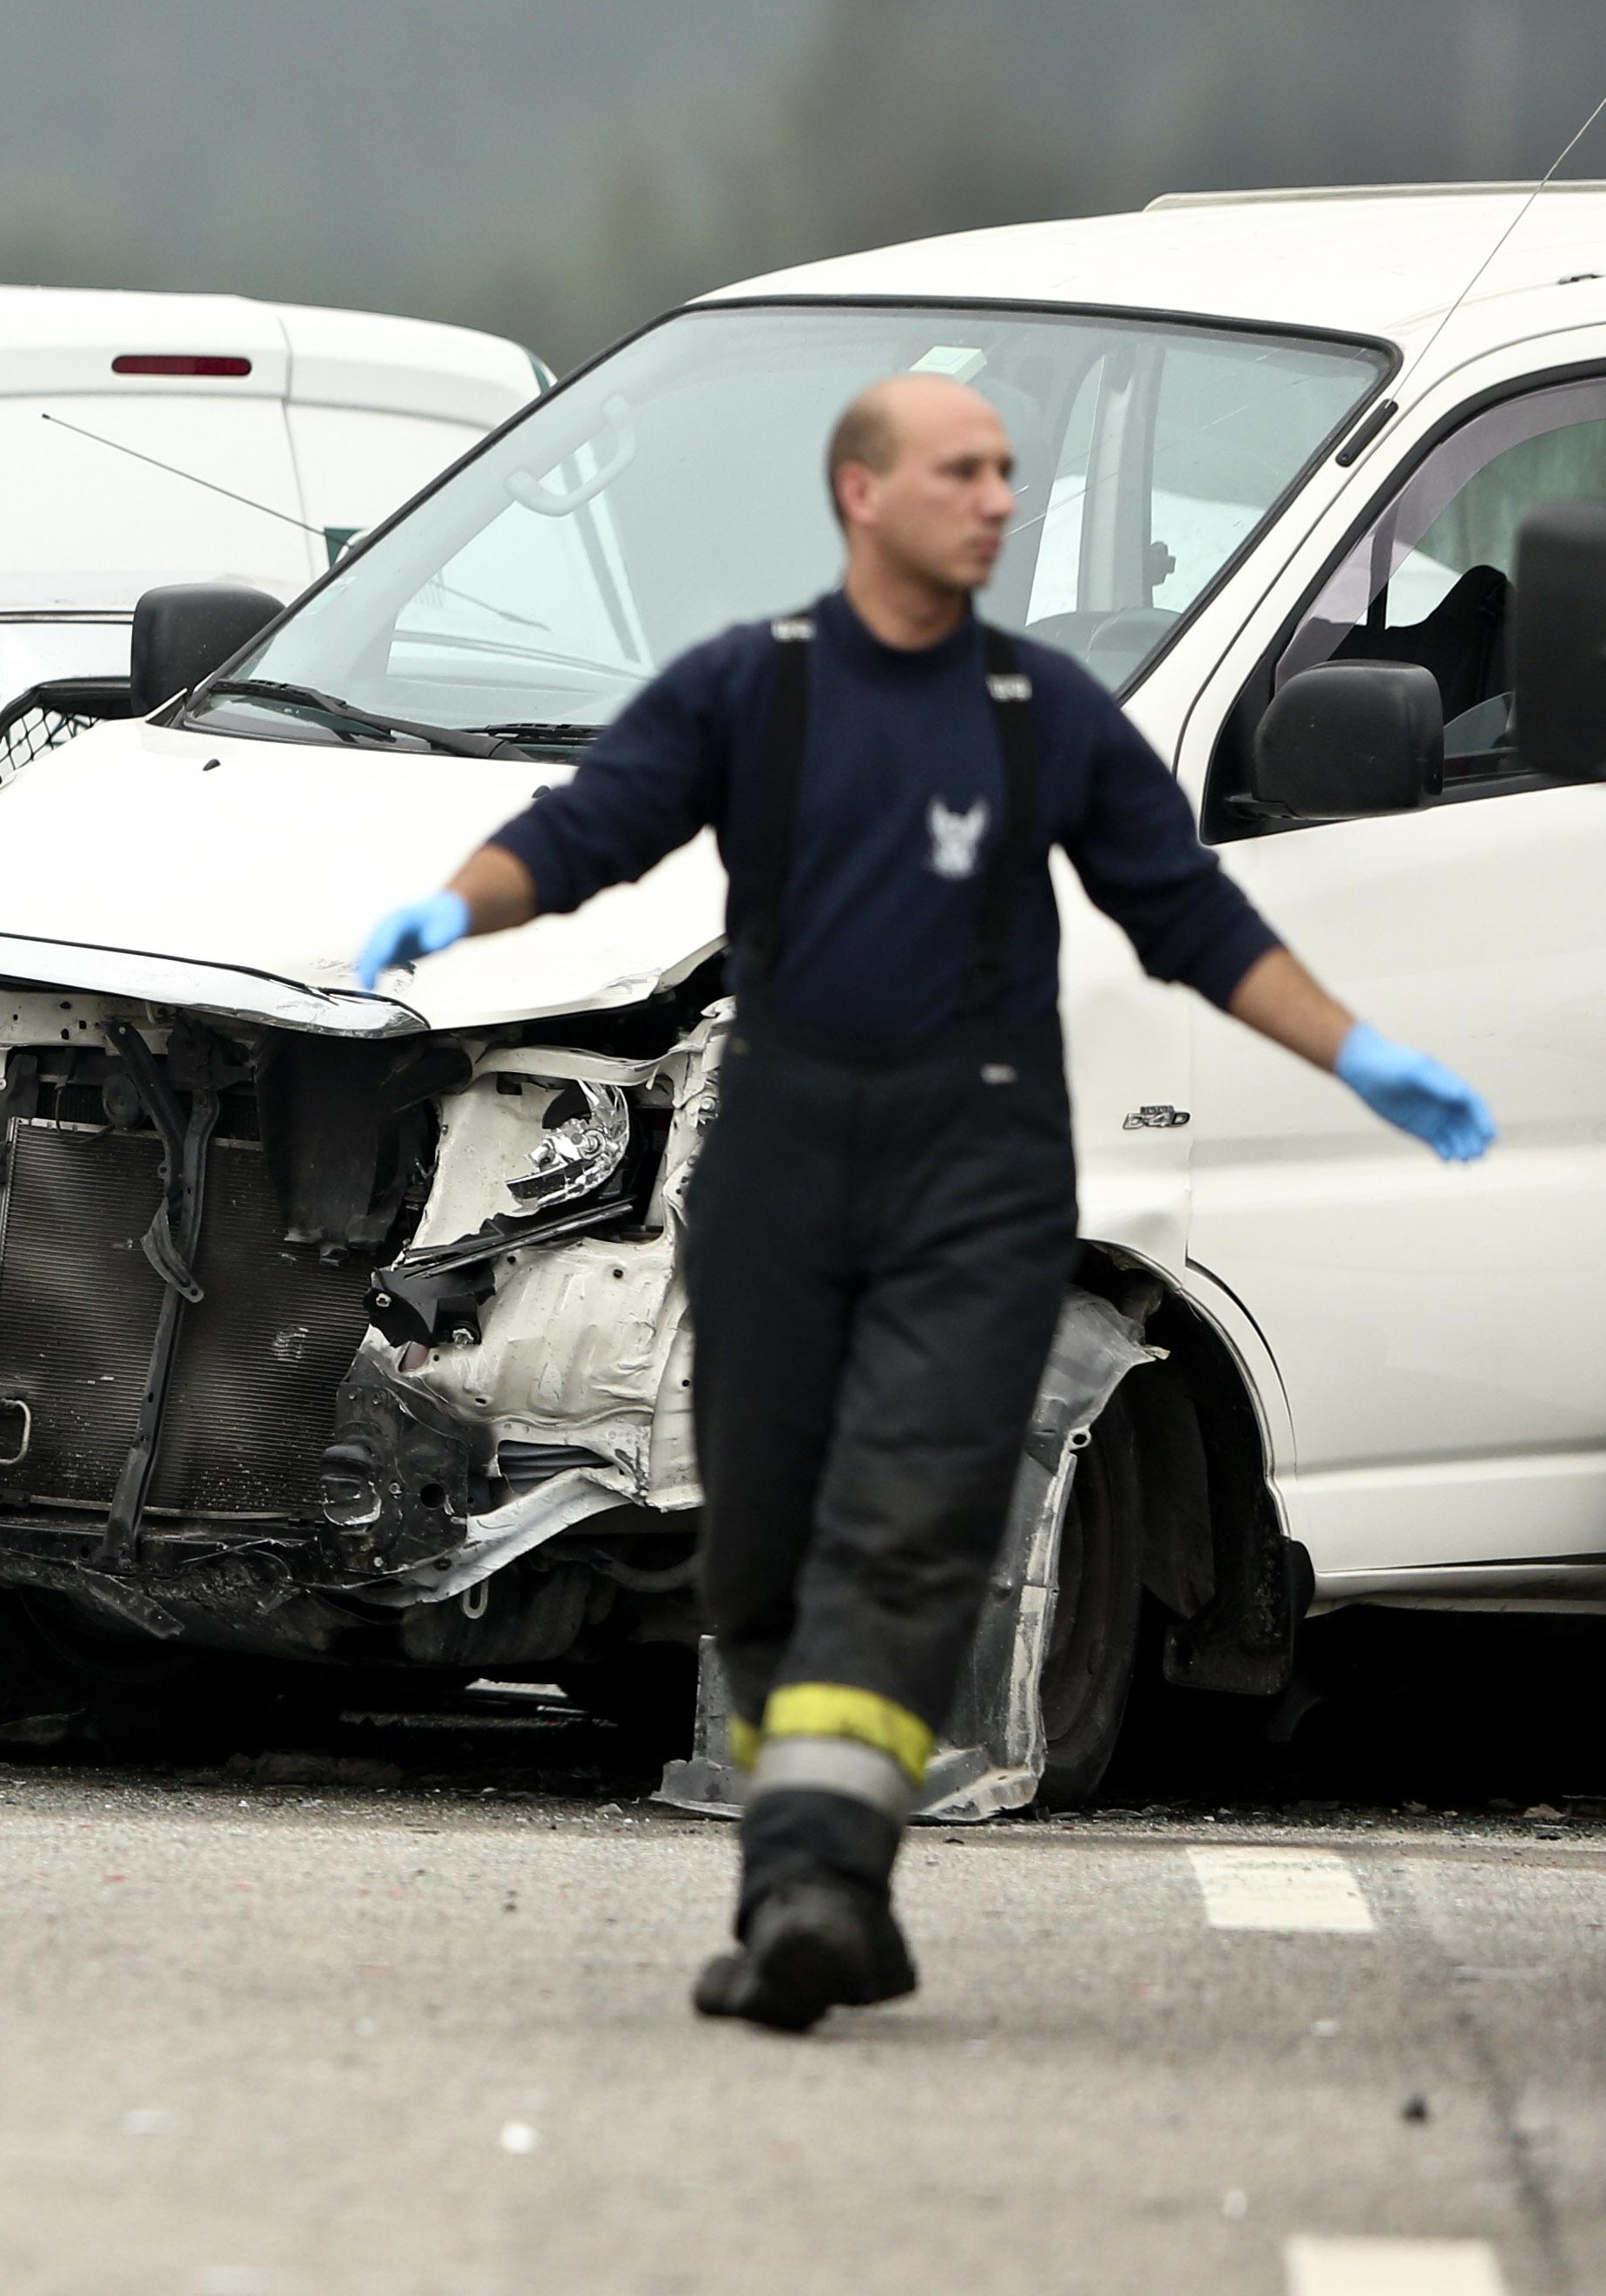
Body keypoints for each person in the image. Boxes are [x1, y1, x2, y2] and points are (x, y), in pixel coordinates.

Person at [352, 372, 1492, 2032]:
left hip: (979, 1174)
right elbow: (588, 829)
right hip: (782, 1170)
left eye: (1007, 473)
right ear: (863, 494)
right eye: (963, 472)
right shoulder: (756, 691)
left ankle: (815, 1876)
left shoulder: (1045, 712)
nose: (999, 500)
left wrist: (1362, 1052)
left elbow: (1187, 916)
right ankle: (825, 1891)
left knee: (892, 1534)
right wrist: (443, 914)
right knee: (756, 1550)